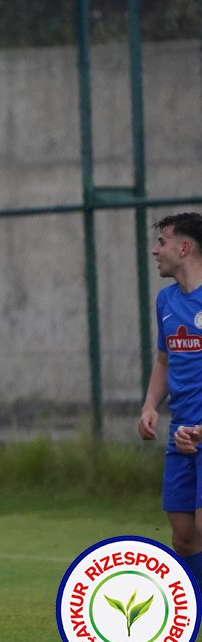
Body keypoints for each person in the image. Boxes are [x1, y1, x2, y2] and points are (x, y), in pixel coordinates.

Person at [139, 213, 202, 596]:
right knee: (183, 538)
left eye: (162, 241)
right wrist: (150, 406)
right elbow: (164, 360)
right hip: (181, 433)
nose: (155, 250)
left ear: (184, 247)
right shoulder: (166, 300)